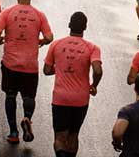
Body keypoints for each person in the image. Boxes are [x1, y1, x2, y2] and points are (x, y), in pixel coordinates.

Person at [0, 0, 54, 144]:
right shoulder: (39, 15)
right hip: (30, 65)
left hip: (10, 64)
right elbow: (49, 37)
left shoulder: (8, 12)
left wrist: (0, 39)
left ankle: (13, 131)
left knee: (10, 95)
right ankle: (27, 118)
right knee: (29, 96)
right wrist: (41, 41)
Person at [44, 11, 104, 157]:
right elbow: (97, 70)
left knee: (59, 137)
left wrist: (60, 68)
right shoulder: (92, 48)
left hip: (60, 98)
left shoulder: (56, 44)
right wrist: (94, 84)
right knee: (73, 134)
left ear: (69, 25)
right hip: (80, 100)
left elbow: (46, 70)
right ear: (85, 28)